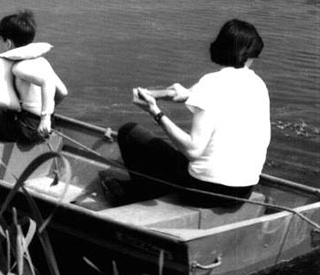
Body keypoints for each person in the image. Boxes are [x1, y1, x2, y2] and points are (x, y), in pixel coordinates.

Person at [114, 18, 270, 206]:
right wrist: (155, 94)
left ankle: (141, 194)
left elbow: (194, 151)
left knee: (129, 132)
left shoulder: (211, 83)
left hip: (203, 193)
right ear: (249, 55)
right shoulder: (258, 85)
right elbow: (190, 94)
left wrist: (155, 112)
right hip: (242, 193)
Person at [0, 10, 68, 143]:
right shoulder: (42, 62)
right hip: (46, 125)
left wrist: (44, 119)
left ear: (8, 43)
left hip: (28, 129)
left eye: (1, 41)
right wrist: (47, 114)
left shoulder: (19, 67)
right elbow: (63, 92)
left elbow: (47, 82)